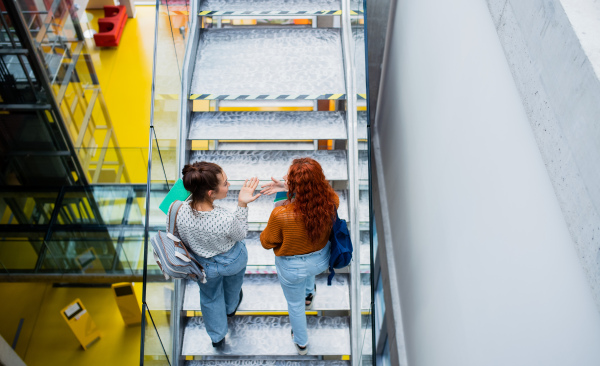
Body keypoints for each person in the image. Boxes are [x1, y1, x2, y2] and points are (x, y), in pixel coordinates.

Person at [170, 161, 260, 348]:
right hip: (232, 261)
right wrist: (242, 203)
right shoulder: (225, 218)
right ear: (211, 193)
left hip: (202, 266)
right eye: (225, 183)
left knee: (209, 297)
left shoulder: (176, 208)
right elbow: (241, 234)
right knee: (234, 287)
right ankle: (230, 309)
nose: (229, 186)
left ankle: (217, 336)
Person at [259, 157, 339, 355]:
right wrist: (290, 188)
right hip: (320, 259)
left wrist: (282, 200)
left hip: (292, 267)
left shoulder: (281, 214)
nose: (285, 177)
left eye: (289, 177)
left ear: (294, 185)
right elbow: (316, 195)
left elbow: (266, 242)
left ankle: (301, 343)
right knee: (308, 272)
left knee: (294, 306)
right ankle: (309, 295)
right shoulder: (331, 201)